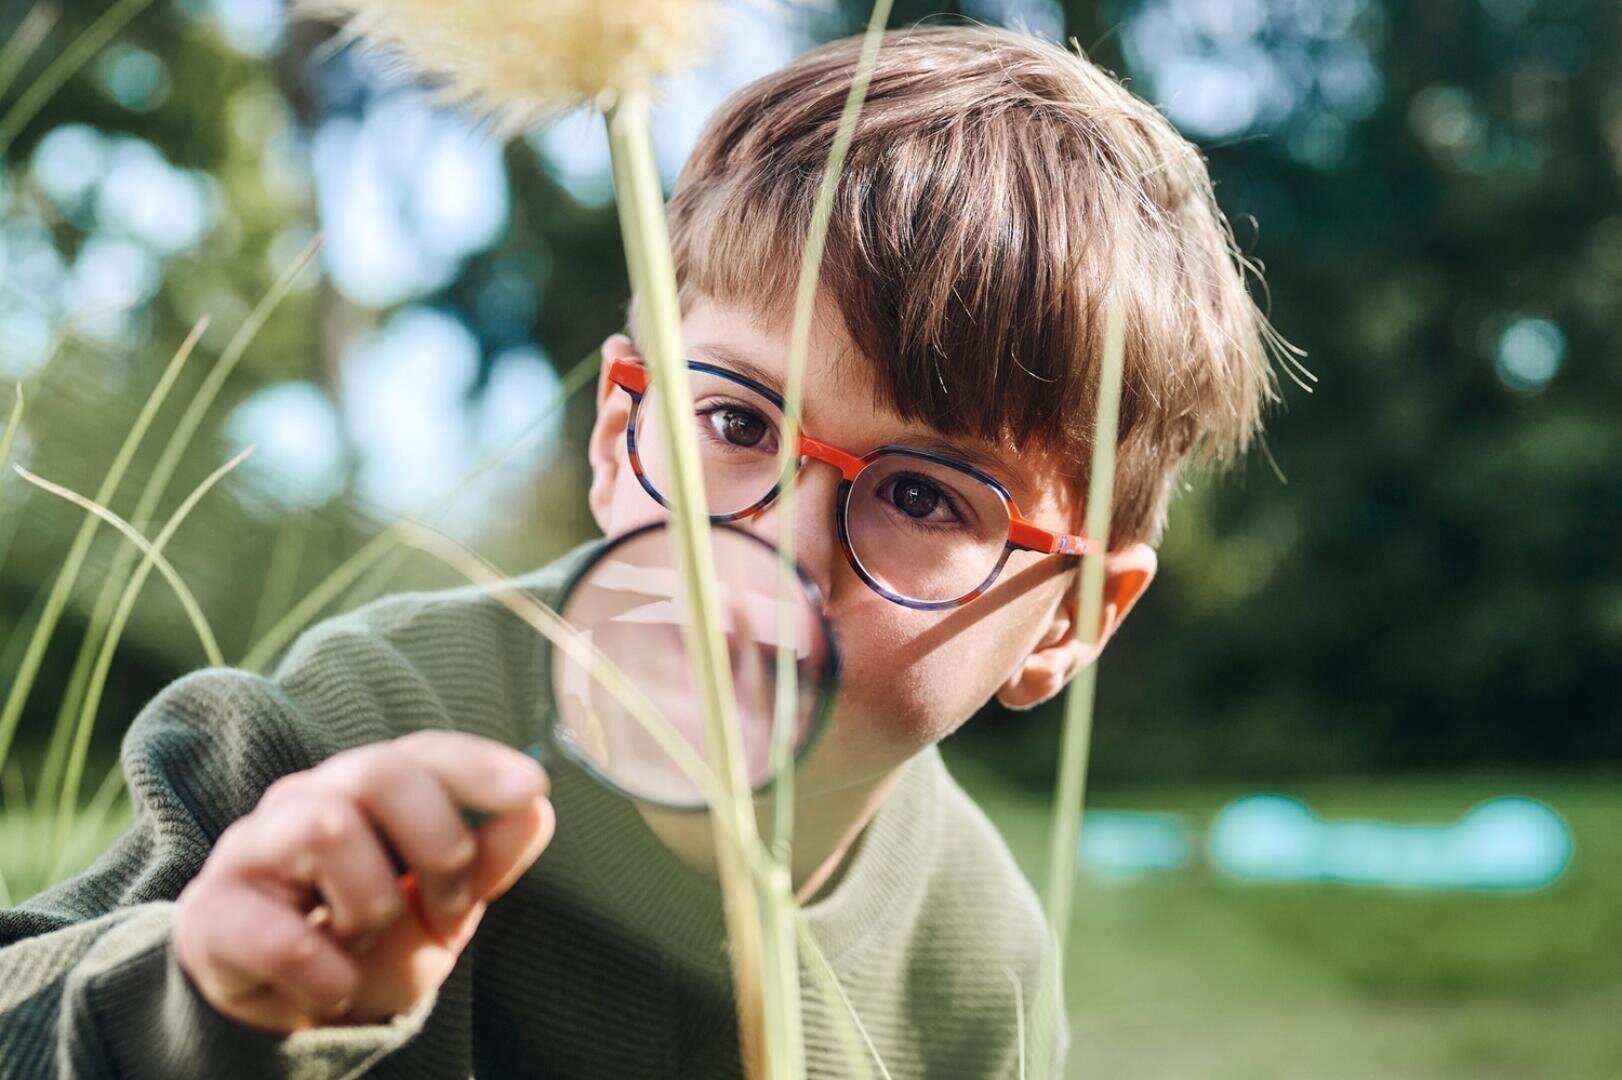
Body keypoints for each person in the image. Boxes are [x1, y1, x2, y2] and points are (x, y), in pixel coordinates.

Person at [0, 23, 1282, 1079]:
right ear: (621, 435)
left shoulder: (976, 960)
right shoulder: (367, 733)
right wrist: (206, 991)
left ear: (1066, 621)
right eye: (732, 422)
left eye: (926, 497)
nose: (771, 553)